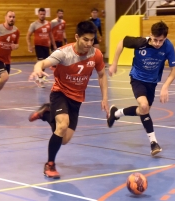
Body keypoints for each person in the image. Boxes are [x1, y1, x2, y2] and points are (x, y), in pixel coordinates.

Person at [28, 21, 109, 179]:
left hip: (76, 99)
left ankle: (46, 113)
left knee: (64, 139)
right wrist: (38, 68)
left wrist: (104, 98)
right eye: (85, 40)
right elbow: (43, 62)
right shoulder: (64, 53)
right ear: (77, 37)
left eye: (92, 40)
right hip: (60, 93)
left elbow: (102, 75)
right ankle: (50, 164)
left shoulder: (96, 54)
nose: (89, 44)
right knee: (63, 124)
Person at [107, 21, 175, 156]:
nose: (157, 43)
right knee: (144, 106)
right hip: (137, 79)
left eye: (160, 41)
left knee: (143, 110)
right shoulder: (140, 42)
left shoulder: (168, 46)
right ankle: (153, 143)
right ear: (150, 35)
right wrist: (114, 63)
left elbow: (174, 69)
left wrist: (165, 86)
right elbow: (121, 42)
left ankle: (116, 113)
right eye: (155, 40)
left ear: (165, 38)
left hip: (152, 82)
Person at [26, 8, 57, 88]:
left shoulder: (48, 24)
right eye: (41, 14)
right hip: (38, 46)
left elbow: (51, 35)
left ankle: (39, 76)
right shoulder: (34, 24)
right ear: (38, 14)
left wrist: (54, 45)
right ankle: (39, 79)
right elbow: (28, 36)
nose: (42, 16)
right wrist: (29, 45)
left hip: (46, 46)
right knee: (40, 61)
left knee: (45, 63)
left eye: (43, 14)